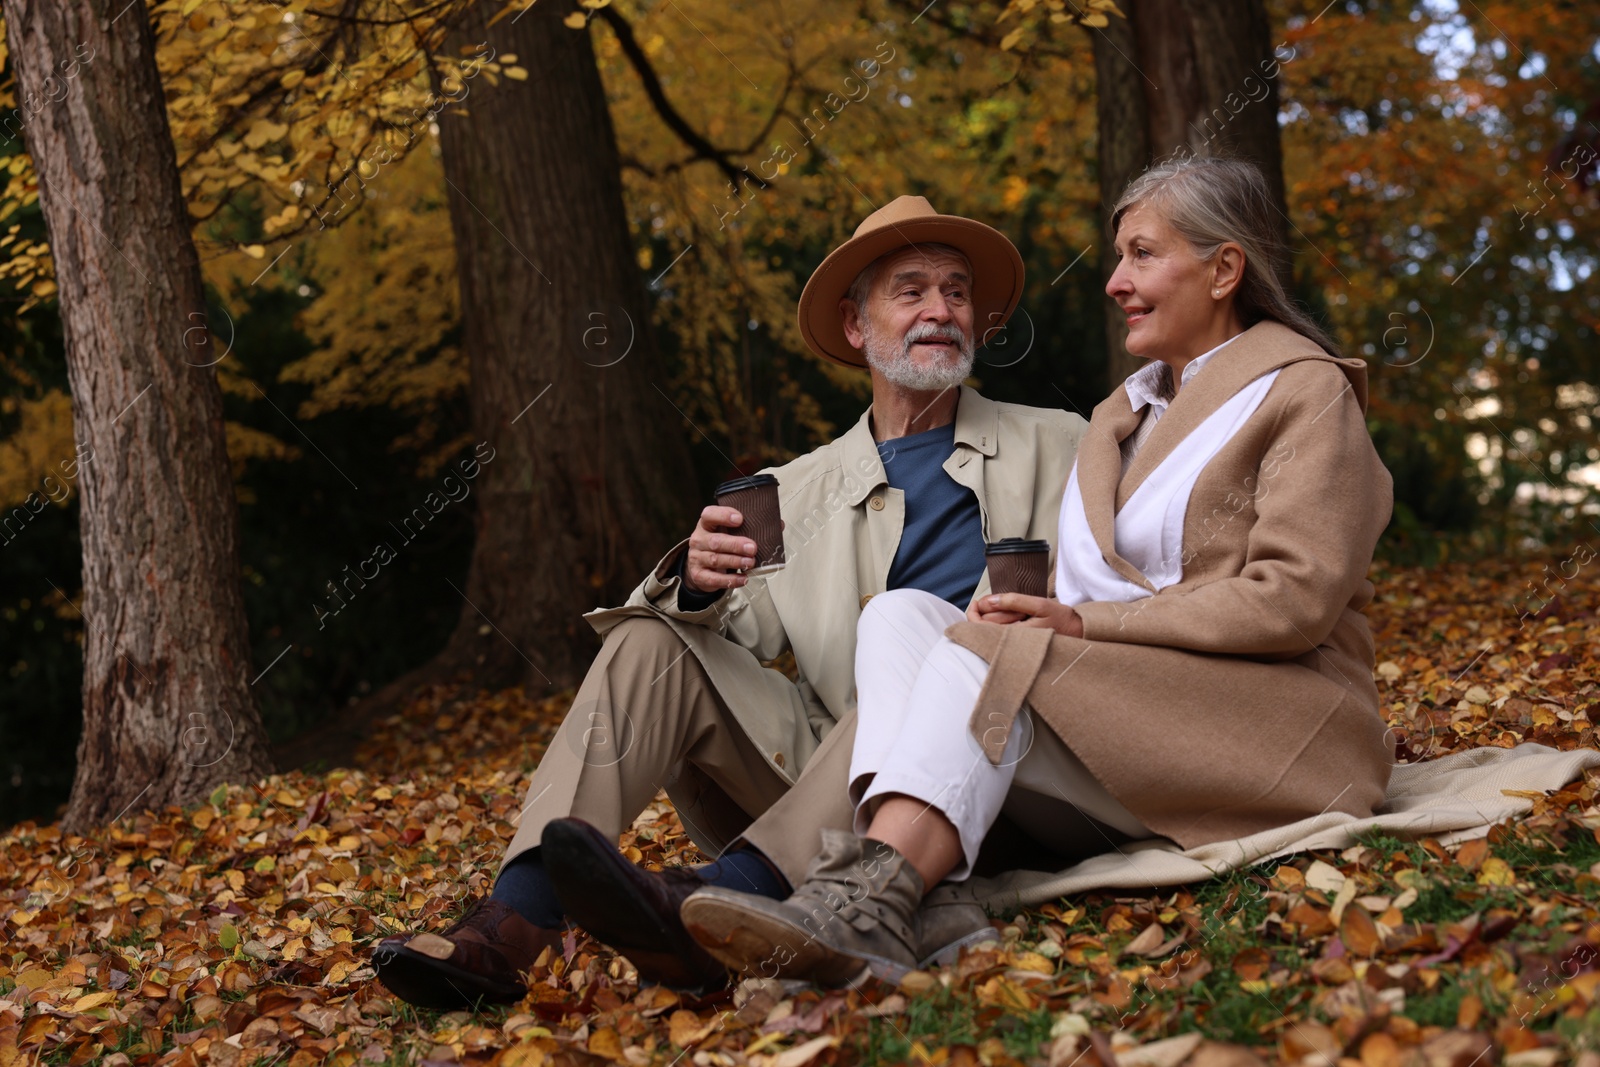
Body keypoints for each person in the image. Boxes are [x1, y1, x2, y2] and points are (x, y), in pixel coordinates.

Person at [677, 156, 1398, 985]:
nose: (1115, 281)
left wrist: (1085, 624)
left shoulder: (1304, 392)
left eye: (1141, 255)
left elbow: (1296, 600)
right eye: (1118, 258)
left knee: (985, 647)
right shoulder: (1121, 418)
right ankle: (922, 894)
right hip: (1137, 705)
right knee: (903, 614)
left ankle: (869, 893)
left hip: (1269, 724)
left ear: (1225, 268)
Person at [372, 195, 1086, 1007]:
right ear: (858, 328)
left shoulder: (1061, 442)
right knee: (650, 639)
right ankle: (511, 925)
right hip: (823, 763)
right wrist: (701, 582)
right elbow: (730, 638)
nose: (940, 310)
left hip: (990, 760)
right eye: (912, 290)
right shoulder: (788, 490)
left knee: (935, 657)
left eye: (956, 291)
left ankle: (725, 890)